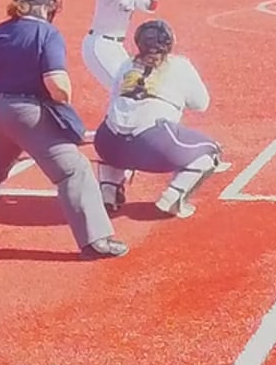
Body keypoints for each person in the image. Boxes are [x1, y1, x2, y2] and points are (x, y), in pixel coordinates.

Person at [0, 0, 128, 259]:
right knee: (73, 171)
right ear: (42, 8)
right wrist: (64, 102)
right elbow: (56, 83)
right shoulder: (47, 33)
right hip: (29, 114)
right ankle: (96, 240)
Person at [94, 19, 225, 219]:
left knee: (116, 133)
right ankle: (173, 197)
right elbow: (201, 104)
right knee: (211, 150)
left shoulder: (126, 64)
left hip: (107, 142)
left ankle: (108, 190)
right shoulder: (180, 65)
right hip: (154, 144)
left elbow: (113, 100)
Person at [81, 0, 165, 93]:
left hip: (116, 46)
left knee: (135, 84)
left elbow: (149, 6)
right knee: (124, 89)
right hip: (100, 44)